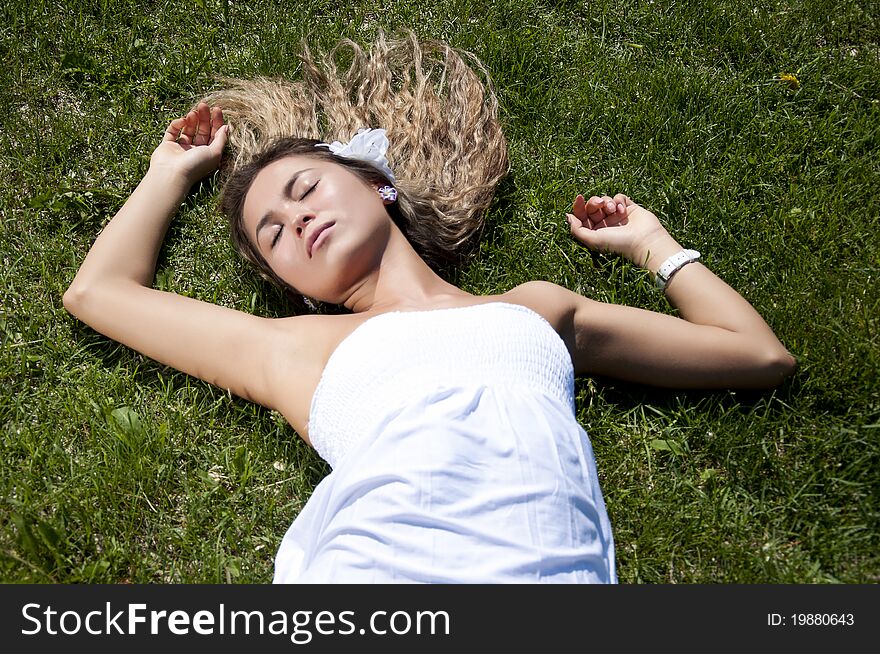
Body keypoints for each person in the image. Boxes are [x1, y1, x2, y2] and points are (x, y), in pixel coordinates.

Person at [63, 31, 796, 583]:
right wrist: (169, 172)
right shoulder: (288, 347)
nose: (296, 222)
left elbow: (758, 355)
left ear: (376, 183)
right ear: (295, 284)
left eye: (305, 190)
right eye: (273, 234)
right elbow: (98, 293)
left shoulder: (534, 309)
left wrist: (653, 247)